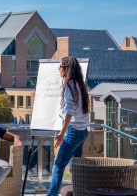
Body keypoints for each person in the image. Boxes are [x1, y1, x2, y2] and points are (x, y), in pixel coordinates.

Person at [47, 56, 90, 196]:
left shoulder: (70, 84)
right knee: (74, 167)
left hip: (74, 132)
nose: (58, 69)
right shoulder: (80, 84)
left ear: (66, 69)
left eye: (59, 66)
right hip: (83, 132)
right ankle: (78, 192)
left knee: (58, 167)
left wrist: (61, 134)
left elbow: (69, 111)